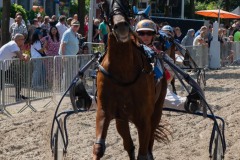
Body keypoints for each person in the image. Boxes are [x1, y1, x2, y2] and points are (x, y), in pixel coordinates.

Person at [135, 19, 187, 110]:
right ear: (137, 35)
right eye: (142, 33)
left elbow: (171, 70)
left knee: (181, 103)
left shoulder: (159, 54)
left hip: (154, 88)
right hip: (132, 89)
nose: (145, 36)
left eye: (149, 33)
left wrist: (162, 81)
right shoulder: (131, 52)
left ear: (153, 35)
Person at [0, 33, 29, 102]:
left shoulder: (14, 45)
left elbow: (22, 55)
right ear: (18, 40)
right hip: (1, 68)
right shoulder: (13, 44)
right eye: (23, 39)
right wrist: (24, 54)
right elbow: (21, 57)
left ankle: (18, 96)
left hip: (4, 68)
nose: (24, 41)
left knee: (17, 77)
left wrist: (25, 55)